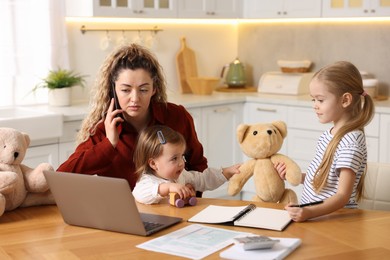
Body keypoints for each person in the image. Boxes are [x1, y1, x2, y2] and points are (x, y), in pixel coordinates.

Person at [57, 44, 207, 191]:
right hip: (124, 213)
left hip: (176, 209)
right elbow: (62, 177)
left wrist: (191, 189)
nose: (135, 98)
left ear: (154, 89)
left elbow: (198, 165)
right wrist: (109, 145)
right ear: (113, 90)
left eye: (143, 89)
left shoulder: (176, 116)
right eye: (125, 90)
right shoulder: (103, 130)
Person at [275, 61, 375, 222]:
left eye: (320, 100)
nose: (315, 106)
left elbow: (342, 195)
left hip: (334, 221)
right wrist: (297, 177)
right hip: (320, 217)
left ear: (345, 100)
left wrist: (309, 212)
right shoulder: (330, 134)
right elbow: (326, 180)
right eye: (312, 100)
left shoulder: (350, 142)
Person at [132, 125, 241, 204]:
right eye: (174, 158)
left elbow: (203, 179)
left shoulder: (182, 175)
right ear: (153, 164)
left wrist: (225, 173)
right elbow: (139, 195)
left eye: (182, 156)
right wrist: (168, 187)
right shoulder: (147, 181)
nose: (181, 163)